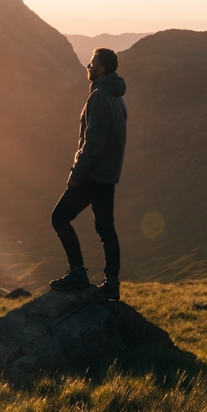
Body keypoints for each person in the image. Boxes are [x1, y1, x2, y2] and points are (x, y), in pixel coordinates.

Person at [50, 47, 127, 301]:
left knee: (60, 218)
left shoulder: (99, 97)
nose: (88, 66)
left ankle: (77, 272)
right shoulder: (118, 99)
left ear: (101, 69)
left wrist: (76, 173)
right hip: (108, 176)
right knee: (107, 229)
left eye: (92, 63)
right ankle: (112, 283)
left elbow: (93, 142)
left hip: (92, 174)